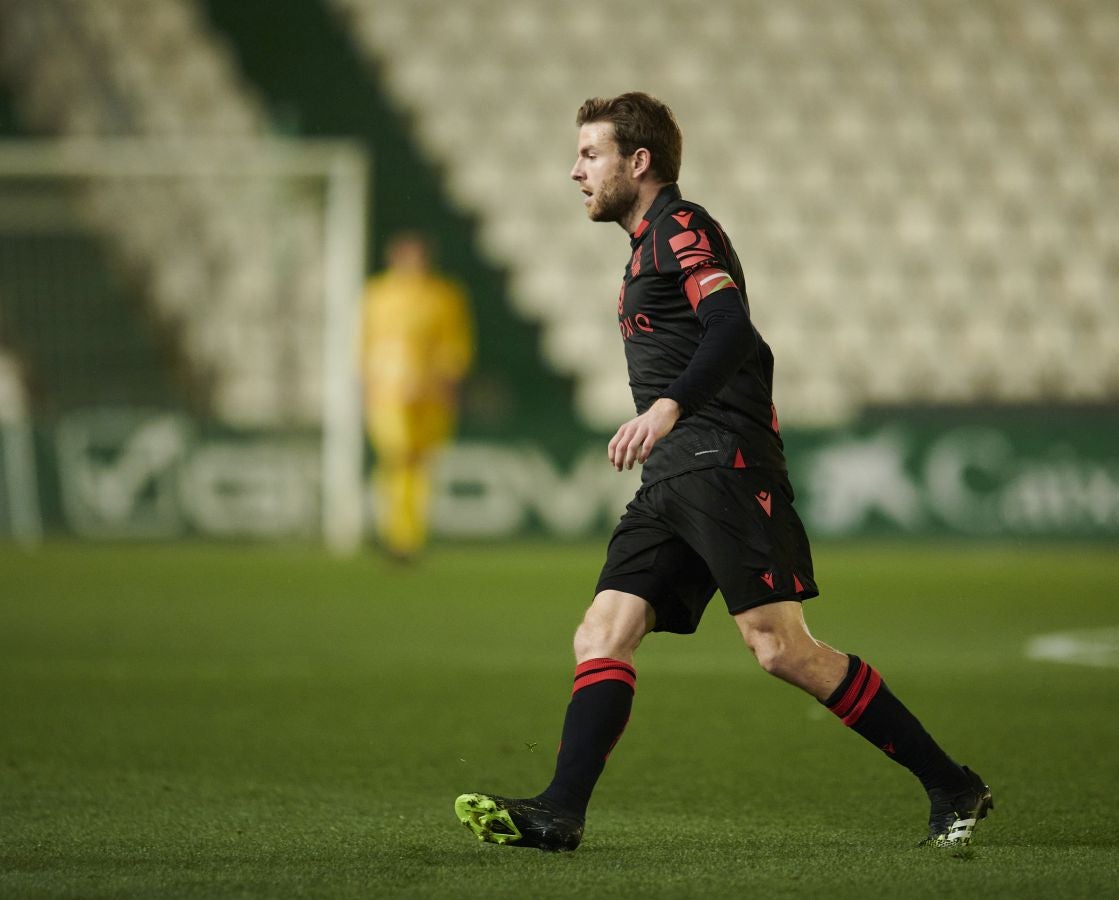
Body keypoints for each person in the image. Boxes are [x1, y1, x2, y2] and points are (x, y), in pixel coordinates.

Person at [454, 92, 992, 851]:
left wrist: (666, 408)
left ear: (639, 161)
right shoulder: (643, 246)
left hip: (723, 463)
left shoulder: (683, 227)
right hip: (671, 476)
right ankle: (560, 812)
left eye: (590, 154)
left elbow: (732, 326)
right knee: (602, 631)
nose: (575, 170)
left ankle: (951, 783)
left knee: (781, 648)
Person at [361, 232, 473, 560]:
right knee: (398, 457)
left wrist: (449, 383)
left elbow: (455, 344)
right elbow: (366, 344)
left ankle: (411, 536)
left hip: (431, 394)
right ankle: (398, 535)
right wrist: (367, 385)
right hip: (388, 395)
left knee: (421, 466)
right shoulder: (377, 295)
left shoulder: (444, 296)